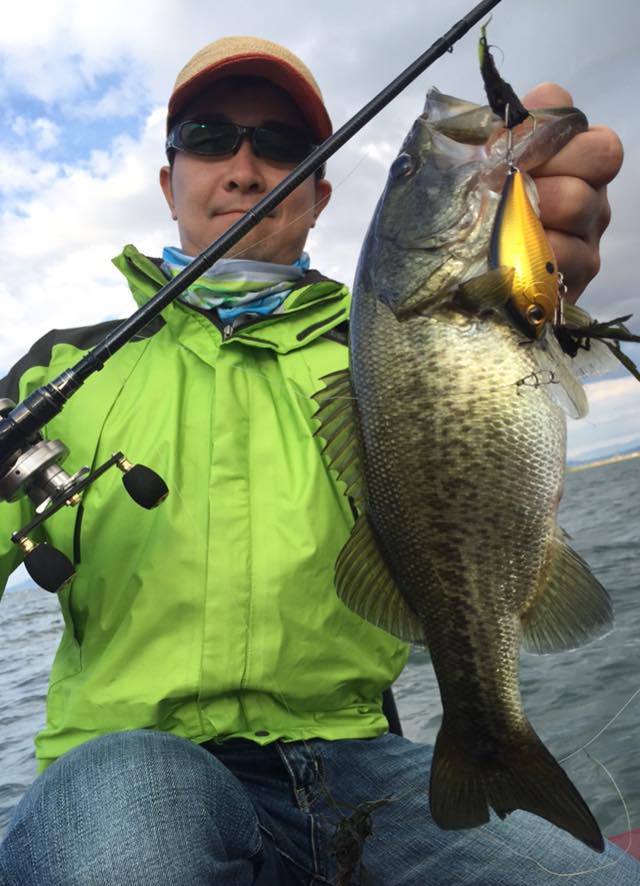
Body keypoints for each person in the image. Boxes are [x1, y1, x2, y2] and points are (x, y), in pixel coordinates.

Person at [0, 35, 635, 886]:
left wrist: (544, 298)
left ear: (321, 193)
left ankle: (490, 738)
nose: (244, 168)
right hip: (127, 762)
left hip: (360, 764)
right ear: (167, 180)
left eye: (281, 144)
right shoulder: (55, 375)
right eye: (209, 138)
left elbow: (510, 382)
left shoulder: (371, 345)